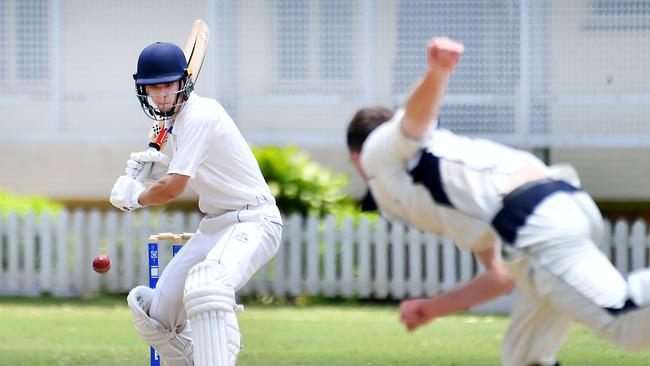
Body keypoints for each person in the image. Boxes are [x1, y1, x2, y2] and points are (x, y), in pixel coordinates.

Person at [347, 36, 650, 366]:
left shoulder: (378, 149)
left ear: (356, 156)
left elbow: (414, 124)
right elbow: (500, 276)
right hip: (550, 212)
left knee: (626, 321)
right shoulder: (449, 180)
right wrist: (433, 308)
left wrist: (438, 70)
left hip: (533, 222)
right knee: (524, 358)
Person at [110, 42, 283, 366]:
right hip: (216, 225)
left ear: (183, 82)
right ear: (143, 89)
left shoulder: (201, 114)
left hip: (254, 221)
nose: (161, 94)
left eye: (168, 85)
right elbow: (179, 173)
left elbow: (174, 187)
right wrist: (151, 175)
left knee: (209, 286)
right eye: (153, 87)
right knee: (158, 316)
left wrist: (136, 196)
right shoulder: (176, 120)